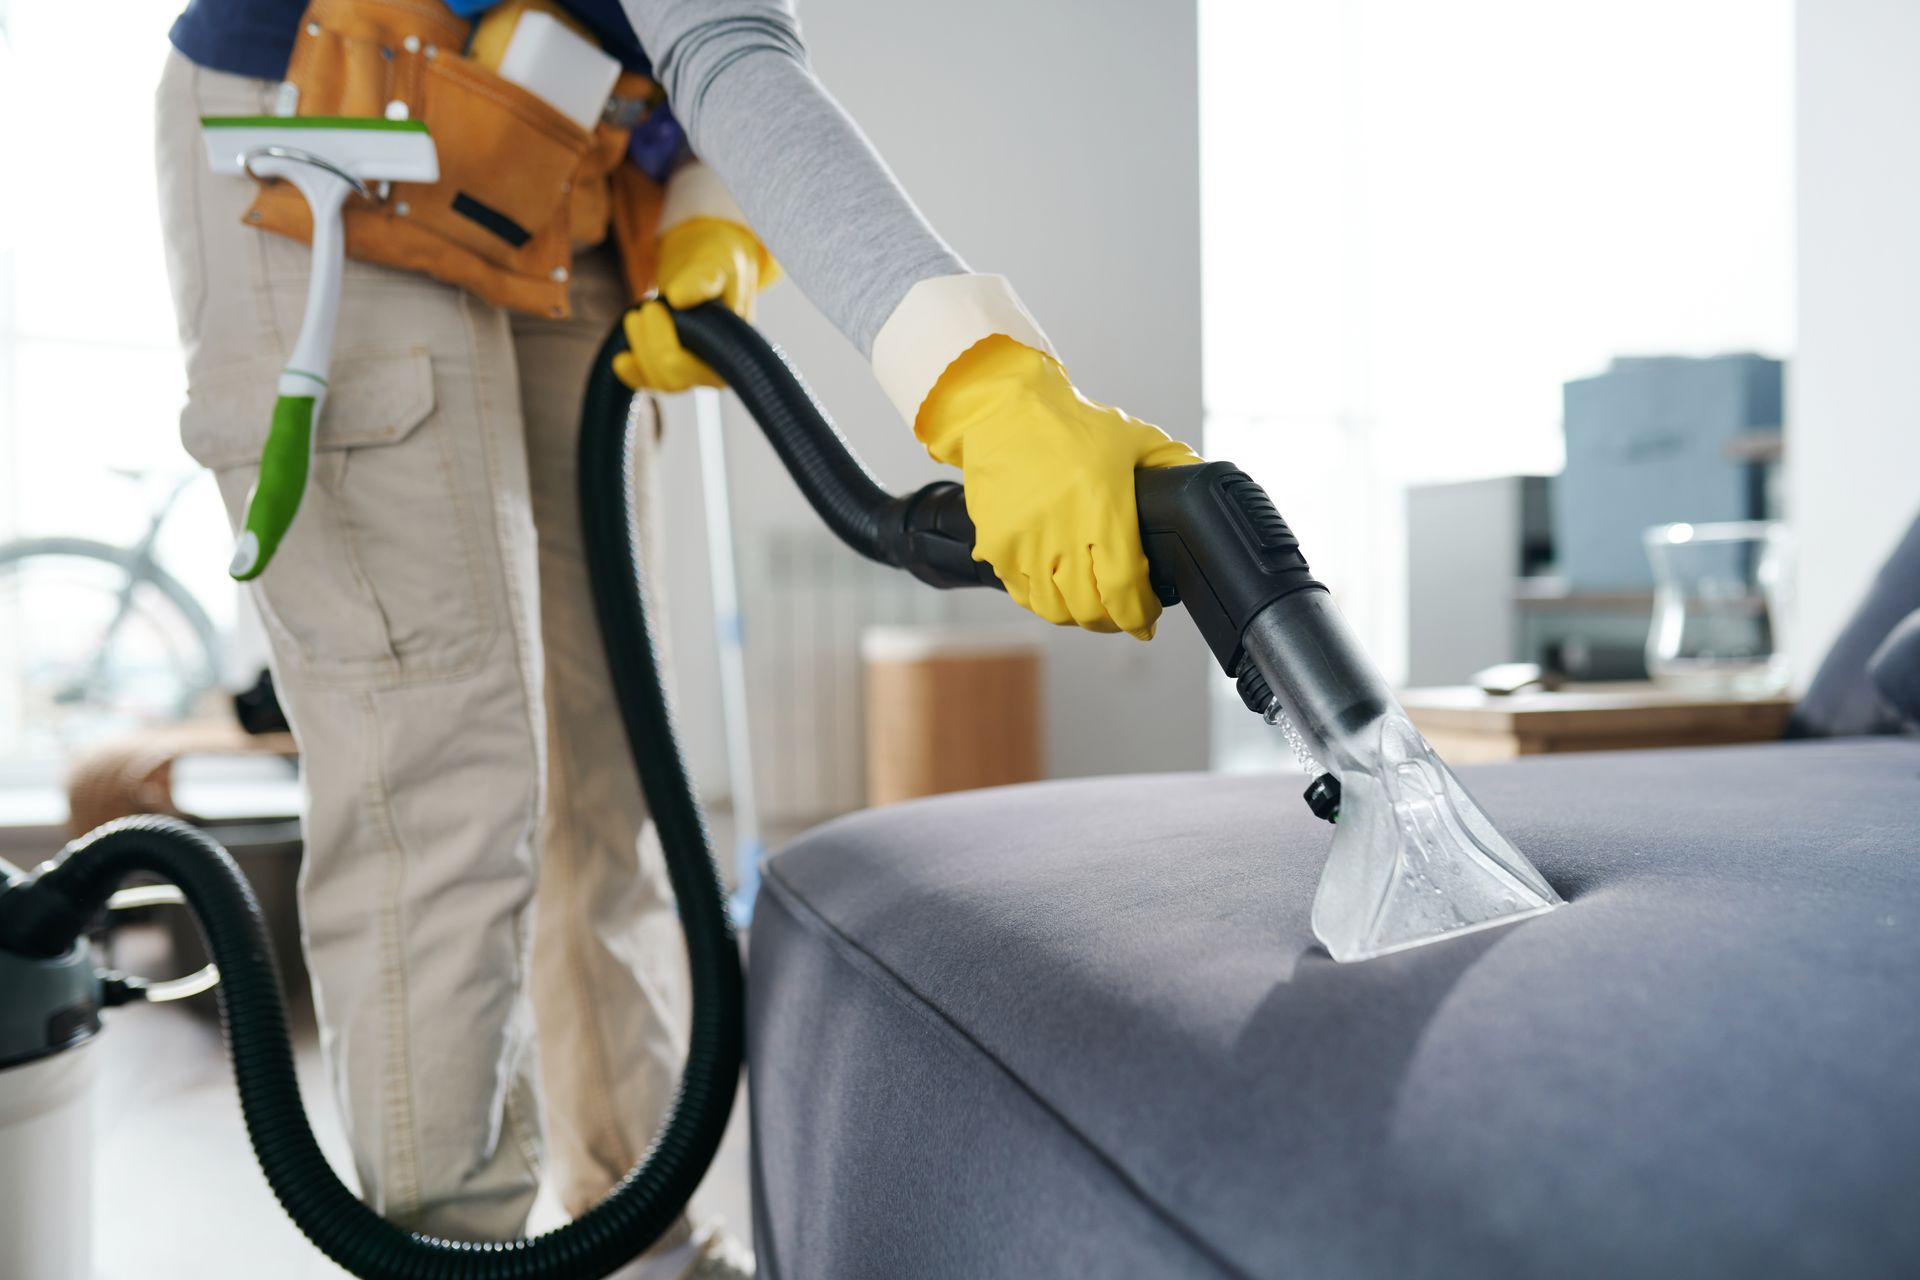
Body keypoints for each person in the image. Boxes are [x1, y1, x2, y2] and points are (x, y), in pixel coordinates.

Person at [155, 1, 1199, 1275]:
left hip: (555, 152)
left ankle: (638, 1232)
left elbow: (702, 32)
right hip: (320, 131)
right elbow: (722, 41)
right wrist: (979, 376)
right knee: (450, 757)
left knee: (609, 766)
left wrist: (698, 185)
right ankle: (458, 1248)